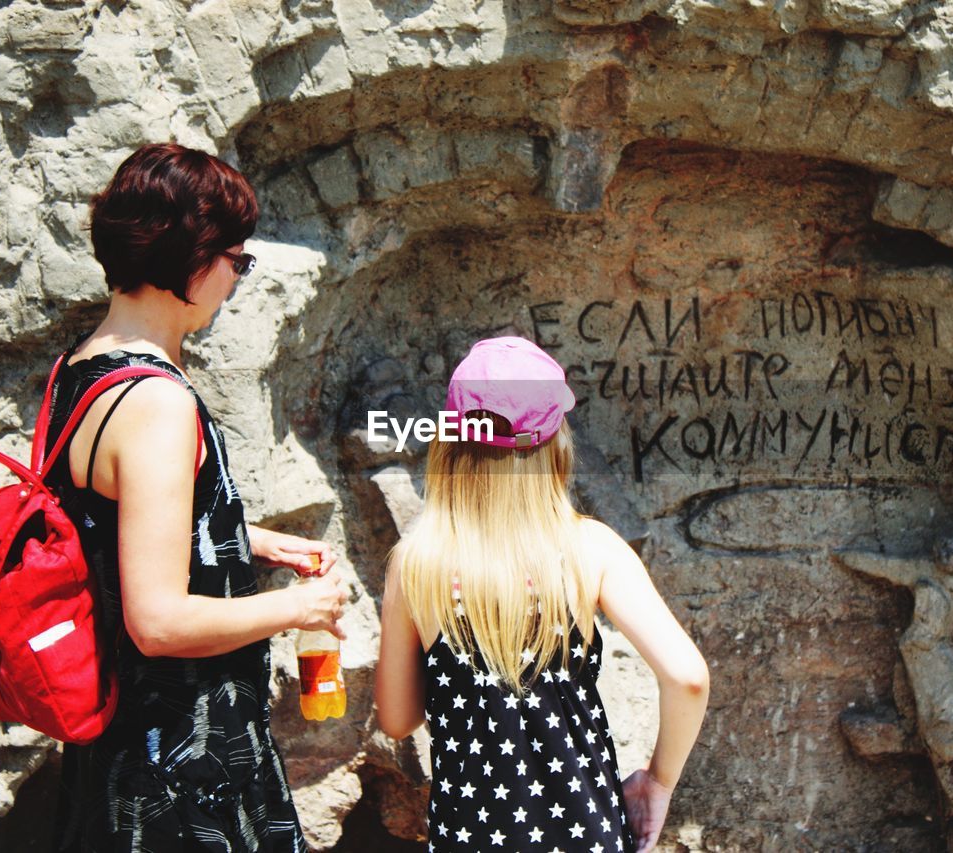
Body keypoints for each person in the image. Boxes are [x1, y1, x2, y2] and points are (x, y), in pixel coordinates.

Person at [46, 142, 347, 851]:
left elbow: (113, 524)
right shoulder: (156, 401)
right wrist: (300, 607)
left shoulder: (81, 368)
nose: (236, 282)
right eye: (236, 262)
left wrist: (254, 541)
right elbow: (156, 619)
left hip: (118, 749)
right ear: (195, 256)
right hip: (183, 766)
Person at [374, 336, 710, 853]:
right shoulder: (591, 548)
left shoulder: (418, 563)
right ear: (555, 441)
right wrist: (658, 783)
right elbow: (687, 678)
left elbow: (398, 719)